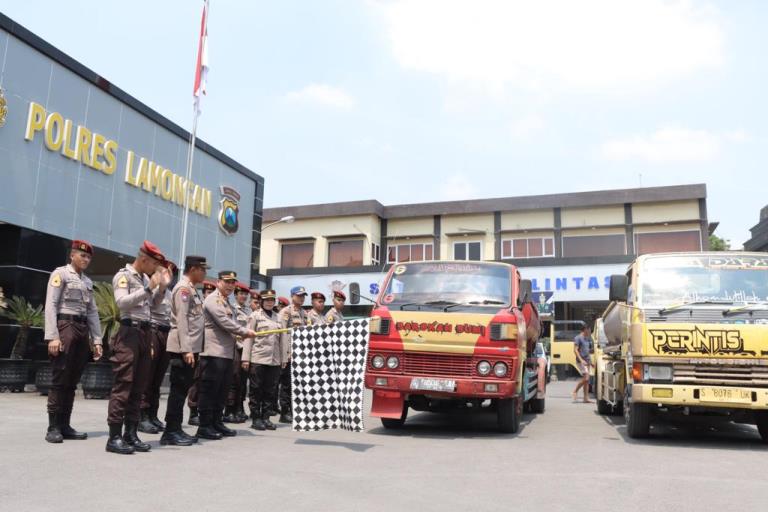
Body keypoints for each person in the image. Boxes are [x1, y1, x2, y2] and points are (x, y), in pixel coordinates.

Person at [106, 241, 169, 455]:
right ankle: (114, 436)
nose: (155, 270)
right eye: (154, 265)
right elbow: (122, 302)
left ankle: (131, 433)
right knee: (124, 385)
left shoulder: (144, 279)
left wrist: (161, 288)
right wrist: (149, 287)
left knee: (139, 386)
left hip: (145, 333)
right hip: (129, 333)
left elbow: (155, 306)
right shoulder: (123, 276)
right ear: (144, 259)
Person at [43, 240, 103, 444]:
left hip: (82, 329)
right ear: (72, 255)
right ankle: (53, 427)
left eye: (88, 257)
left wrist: (97, 340)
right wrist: (52, 335)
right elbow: (51, 304)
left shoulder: (87, 281)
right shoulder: (60, 274)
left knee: (72, 381)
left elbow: (93, 312)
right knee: (60, 378)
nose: (85, 259)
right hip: (65, 327)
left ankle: (65, 425)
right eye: (82, 255)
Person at [196, 271, 257, 440]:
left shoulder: (226, 302)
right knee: (210, 390)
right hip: (213, 352)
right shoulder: (213, 300)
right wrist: (245, 332)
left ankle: (216, 422)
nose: (230, 285)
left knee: (222, 391)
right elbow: (225, 322)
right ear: (219, 282)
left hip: (226, 353)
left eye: (233, 282)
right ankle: (204, 425)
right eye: (227, 282)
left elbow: (233, 323)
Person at [160, 255, 209, 447]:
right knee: (178, 391)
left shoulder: (193, 291)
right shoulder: (183, 289)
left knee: (182, 390)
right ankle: (170, 431)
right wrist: (186, 350)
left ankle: (176, 428)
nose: (205, 273)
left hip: (190, 348)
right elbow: (182, 321)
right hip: (182, 349)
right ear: (194, 269)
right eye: (203, 269)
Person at [138, 259, 176, 434]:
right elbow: (150, 305)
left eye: (170, 273)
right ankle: (142, 416)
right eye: (164, 271)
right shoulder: (151, 287)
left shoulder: (171, 293)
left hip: (166, 333)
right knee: (148, 377)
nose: (168, 275)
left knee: (158, 379)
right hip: (153, 331)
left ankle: (153, 415)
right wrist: (159, 286)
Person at [242, 290, 285, 431]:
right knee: (256, 389)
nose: (269, 302)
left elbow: (282, 340)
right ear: (261, 301)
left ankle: (266, 417)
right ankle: (256, 418)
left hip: (274, 360)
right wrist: (246, 359)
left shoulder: (279, 318)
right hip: (258, 358)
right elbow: (248, 339)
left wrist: (283, 358)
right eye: (266, 300)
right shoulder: (255, 316)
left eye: (272, 300)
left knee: (270, 390)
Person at [187, 278, 218, 425]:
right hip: (198, 348)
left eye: (212, 292)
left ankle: (203, 411)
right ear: (203, 293)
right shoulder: (201, 306)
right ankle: (193, 412)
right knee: (196, 382)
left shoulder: (213, 307)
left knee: (206, 383)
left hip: (208, 349)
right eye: (207, 292)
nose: (209, 294)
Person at [277, 286, 309, 424]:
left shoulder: (304, 313)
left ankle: (294, 410)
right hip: (289, 354)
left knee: (298, 384)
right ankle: (284, 412)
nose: (301, 298)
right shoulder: (286, 312)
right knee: (287, 385)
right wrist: (285, 355)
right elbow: (283, 334)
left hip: (301, 355)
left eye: (303, 296)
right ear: (292, 296)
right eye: (299, 295)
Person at [223, 282, 251, 423]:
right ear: (236, 295)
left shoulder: (248, 311)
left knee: (241, 381)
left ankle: (238, 408)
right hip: (236, 347)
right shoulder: (232, 308)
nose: (244, 296)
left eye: (246, 294)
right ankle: (228, 410)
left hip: (245, 349)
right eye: (241, 294)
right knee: (233, 380)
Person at [572, 325, 593, 403]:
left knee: (587, 381)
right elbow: (575, 350)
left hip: (587, 361)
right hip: (581, 361)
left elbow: (588, 352)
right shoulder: (578, 338)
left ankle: (585, 398)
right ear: (585, 329)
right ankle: (575, 391)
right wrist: (581, 360)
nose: (590, 332)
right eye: (589, 330)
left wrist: (591, 362)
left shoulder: (587, 339)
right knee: (586, 378)